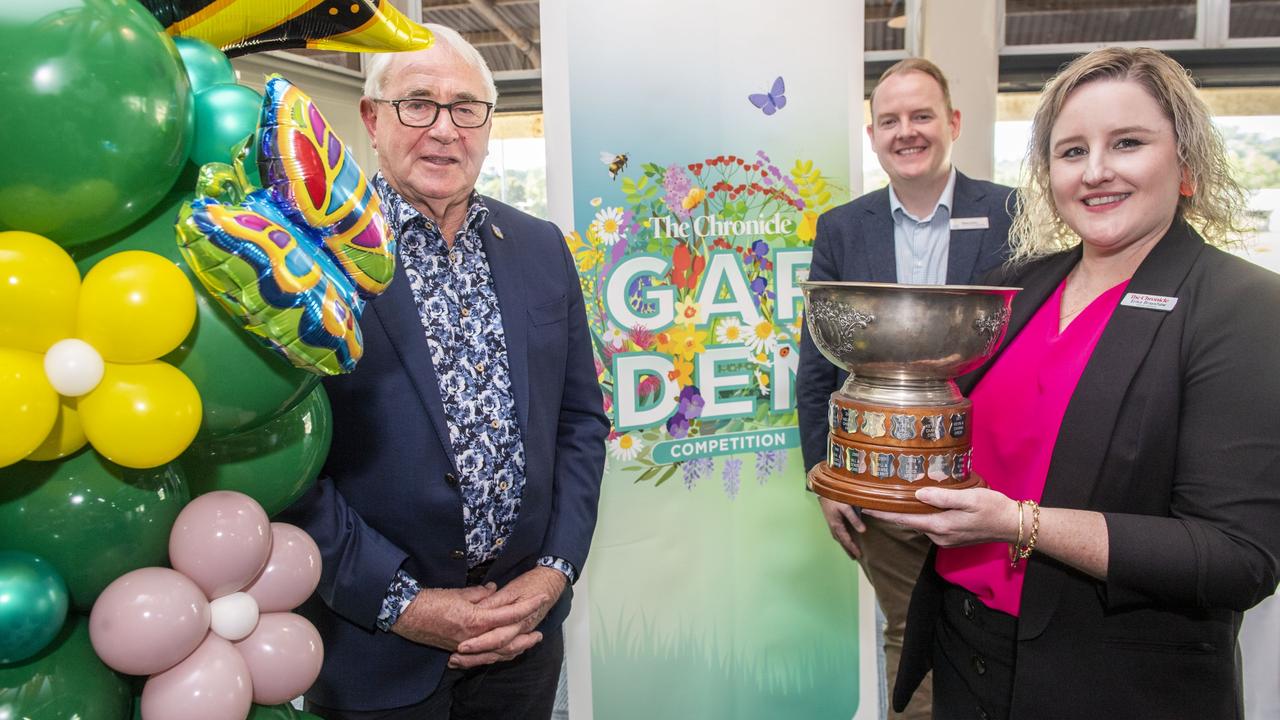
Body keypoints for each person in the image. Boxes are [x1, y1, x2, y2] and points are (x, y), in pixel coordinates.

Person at [873, 47, 1280, 719]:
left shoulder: (1242, 306)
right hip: (964, 646)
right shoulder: (1019, 287)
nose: (1095, 172)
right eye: (1071, 152)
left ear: (1186, 162)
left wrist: (1015, 523)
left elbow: (1237, 558)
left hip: (1106, 678)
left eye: (1127, 143)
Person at [277, 24, 608, 719]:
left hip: (524, 632)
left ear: (488, 126)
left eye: (466, 108)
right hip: (375, 644)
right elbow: (284, 460)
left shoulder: (541, 248)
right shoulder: (307, 258)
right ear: (372, 119)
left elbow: (580, 423)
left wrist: (555, 571)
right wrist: (403, 604)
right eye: (417, 103)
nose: (443, 130)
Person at [796, 57, 1013, 720]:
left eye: (921, 116)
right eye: (889, 120)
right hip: (881, 489)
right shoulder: (841, 227)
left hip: (988, 483)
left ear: (951, 123)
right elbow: (815, 366)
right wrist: (820, 473)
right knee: (908, 639)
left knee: (996, 640)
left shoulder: (1011, 212)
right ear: (873, 136)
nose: (906, 131)